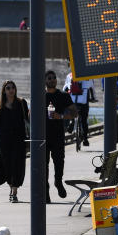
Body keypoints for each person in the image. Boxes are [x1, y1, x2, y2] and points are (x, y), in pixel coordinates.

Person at [0, 80, 29, 203]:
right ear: (4, 90)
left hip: (18, 139)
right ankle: (12, 186)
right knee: (7, 166)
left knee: (17, 165)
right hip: (5, 140)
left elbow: (28, 118)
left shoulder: (21, 103)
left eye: (13, 87)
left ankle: (14, 192)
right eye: (8, 88)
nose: (11, 90)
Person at [44, 70, 77, 201]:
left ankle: (58, 182)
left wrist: (61, 116)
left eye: (54, 78)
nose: (52, 80)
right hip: (43, 136)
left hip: (57, 135)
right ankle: (45, 189)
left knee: (59, 162)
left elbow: (75, 113)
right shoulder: (40, 96)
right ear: (45, 81)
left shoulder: (63, 96)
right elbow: (30, 115)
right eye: (49, 78)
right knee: (43, 165)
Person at [63, 72, 94, 151]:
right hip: (83, 102)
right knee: (84, 120)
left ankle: (72, 121)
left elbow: (64, 89)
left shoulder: (69, 76)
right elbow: (92, 89)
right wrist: (93, 98)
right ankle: (85, 139)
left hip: (72, 102)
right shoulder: (88, 76)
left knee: (71, 110)